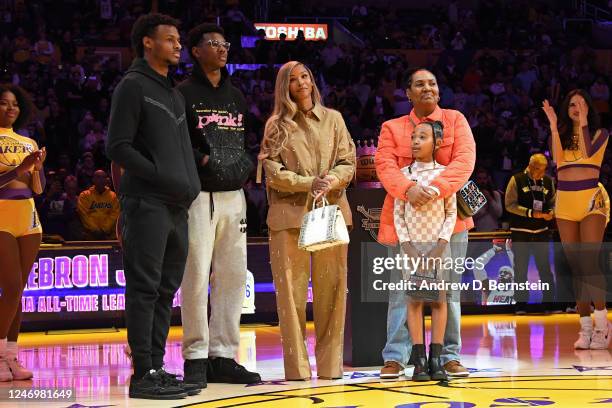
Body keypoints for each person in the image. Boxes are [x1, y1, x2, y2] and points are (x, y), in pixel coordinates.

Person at [105, 13, 202, 400]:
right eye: (171, 39)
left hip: (177, 205)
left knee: (165, 290)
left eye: (179, 40)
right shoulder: (132, 86)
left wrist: (189, 180)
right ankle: (142, 372)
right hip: (146, 202)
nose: (178, 45)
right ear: (147, 42)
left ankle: (157, 367)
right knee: (145, 288)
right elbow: (117, 146)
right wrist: (161, 175)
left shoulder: (174, 93)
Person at [376, 68, 475, 379]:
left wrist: (432, 190)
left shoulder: (456, 120)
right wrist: (409, 190)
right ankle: (396, 356)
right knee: (403, 293)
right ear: (408, 93)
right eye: (419, 84)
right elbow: (384, 166)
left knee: (448, 293)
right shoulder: (392, 128)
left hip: (449, 224)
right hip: (405, 224)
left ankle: (448, 356)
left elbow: (464, 162)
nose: (427, 88)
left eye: (432, 83)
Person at [259, 61, 355, 380]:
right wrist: (307, 183)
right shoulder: (276, 124)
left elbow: (348, 162)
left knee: (332, 293)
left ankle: (330, 366)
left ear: (313, 82)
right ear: (283, 87)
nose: (301, 83)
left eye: (305, 77)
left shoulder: (335, 120)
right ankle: (297, 369)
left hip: (329, 212)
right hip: (289, 217)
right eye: (293, 79)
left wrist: (330, 180)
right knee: (290, 296)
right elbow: (270, 171)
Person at [176, 23, 260, 387]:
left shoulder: (237, 96)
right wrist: (205, 161)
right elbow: (176, 142)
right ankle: (195, 356)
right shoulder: (181, 93)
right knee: (195, 275)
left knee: (232, 276)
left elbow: (245, 141)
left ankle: (223, 355)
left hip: (233, 195)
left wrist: (245, 164)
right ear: (195, 51)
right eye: (213, 44)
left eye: (225, 44)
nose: (222, 49)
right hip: (197, 195)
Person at [542, 90, 610, 350]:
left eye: (581, 103)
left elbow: (588, 150)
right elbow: (557, 160)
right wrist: (552, 126)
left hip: (592, 201)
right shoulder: (558, 136)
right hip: (566, 202)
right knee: (576, 268)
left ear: (589, 107)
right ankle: (585, 327)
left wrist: (581, 122)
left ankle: (603, 326)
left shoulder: (599, 134)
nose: (576, 107)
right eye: (571, 104)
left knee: (590, 263)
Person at [394, 121, 456, 381]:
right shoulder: (403, 174)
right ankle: (419, 361)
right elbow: (398, 213)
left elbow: (451, 212)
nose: (416, 141)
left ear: (437, 143)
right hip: (412, 250)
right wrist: (406, 245)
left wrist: (441, 245)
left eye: (423, 136)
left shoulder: (445, 174)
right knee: (415, 300)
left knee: (439, 300)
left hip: (439, 248)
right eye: (414, 137)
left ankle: (437, 359)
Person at [0, 84, 46, 381]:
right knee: (12, 287)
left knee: (20, 292)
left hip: (28, 218)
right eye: (4, 103)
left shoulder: (28, 141)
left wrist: (37, 168)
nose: (11, 108)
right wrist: (21, 169)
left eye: (15, 104)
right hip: (1, 216)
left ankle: (11, 358)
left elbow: (38, 188)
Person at [504, 153, 557, 314]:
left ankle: (548, 304)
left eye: (544, 169)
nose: (543, 172)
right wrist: (530, 213)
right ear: (531, 166)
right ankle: (520, 304)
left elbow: (554, 203)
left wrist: (551, 213)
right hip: (521, 231)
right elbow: (509, 204)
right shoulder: (517, 179)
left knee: (545, 269)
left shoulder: (548, 181)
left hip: (542, 231)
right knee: (520, 269)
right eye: (540, 169)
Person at [76, 169, 120, 240]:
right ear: (93, 179)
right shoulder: (84, 195)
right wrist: (94, 230)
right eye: (98, 177)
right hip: (90, 236)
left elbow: (115, 214)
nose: (101, 180)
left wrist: (104, 230)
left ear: (106, 180)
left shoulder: (113, 196)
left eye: (103, 177)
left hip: (108, 236)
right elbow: (84, 214)